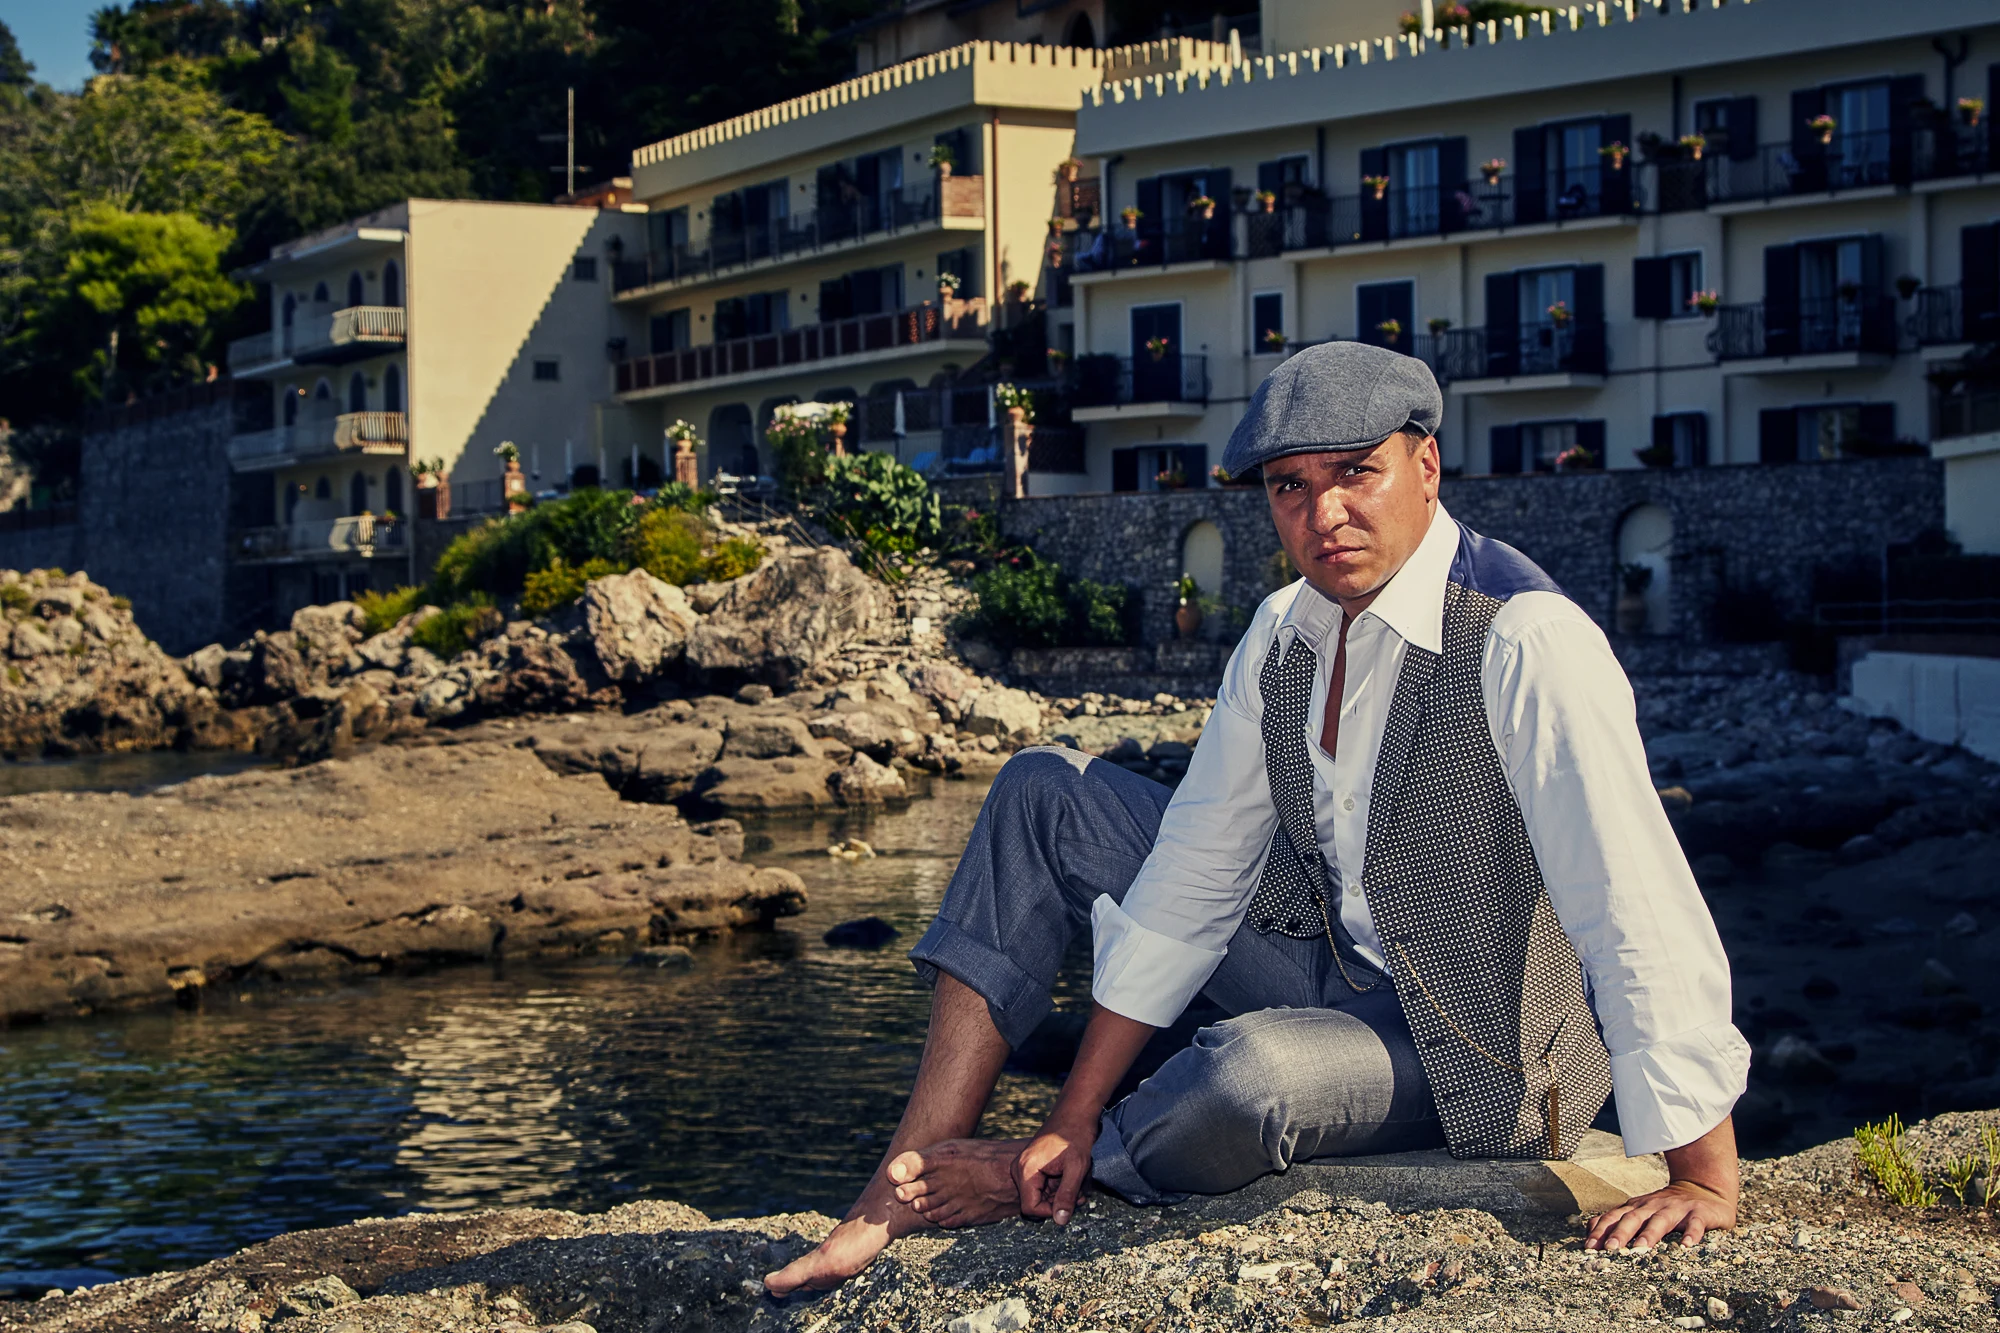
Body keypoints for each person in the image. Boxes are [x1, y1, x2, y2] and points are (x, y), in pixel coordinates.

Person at [765, 343, 1748, 1297]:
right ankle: (895, 1189)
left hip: (1485, 1050)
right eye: (1288, 486)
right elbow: (1190, 879)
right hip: (1329, 964)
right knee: (1042, 789)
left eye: (1355, 472)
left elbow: (1629, 901)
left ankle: (1053, 1168)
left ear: (1424, 465)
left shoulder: (1525, 639)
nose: (1324, 513)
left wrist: (1699, 1169)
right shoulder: (1282, 632)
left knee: (1247, 1076)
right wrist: (1070, 1106)